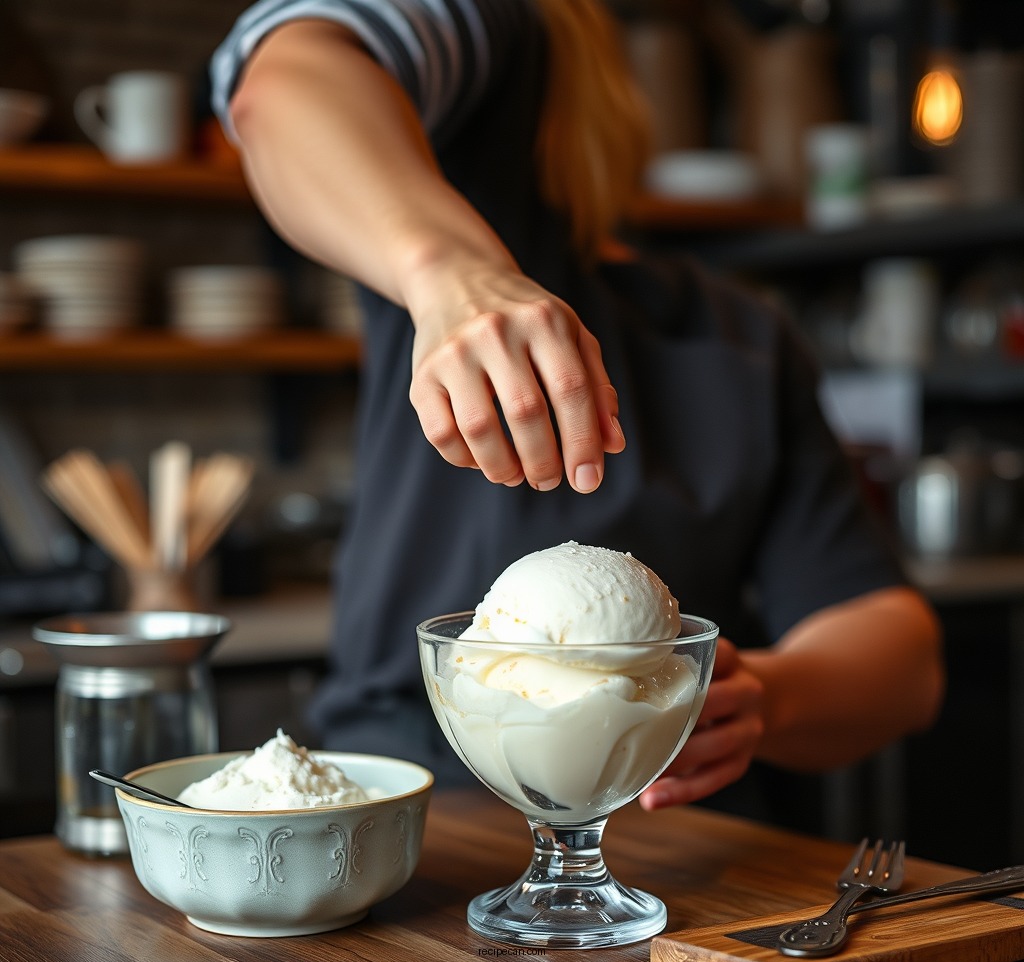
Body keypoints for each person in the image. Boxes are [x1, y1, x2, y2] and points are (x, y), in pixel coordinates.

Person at [209, 0, 944, 821]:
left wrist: (761, 694)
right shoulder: (458, 189)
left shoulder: (739, 333)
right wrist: (450, 274)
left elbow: (902, 661)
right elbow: (281, 82)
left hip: (678, 837)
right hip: (417, 812)